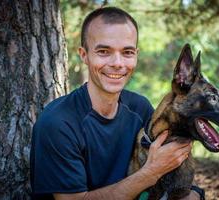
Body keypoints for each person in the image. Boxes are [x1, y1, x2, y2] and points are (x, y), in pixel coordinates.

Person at [30, 6, 202, 200]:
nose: (118, 63)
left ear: (136, 54)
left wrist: (194, 195)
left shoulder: (140, 108)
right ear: (84, 55)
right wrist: (151, 172)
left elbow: (175, 170)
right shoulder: (58, 122)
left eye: (127, 52)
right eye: (104, 51)